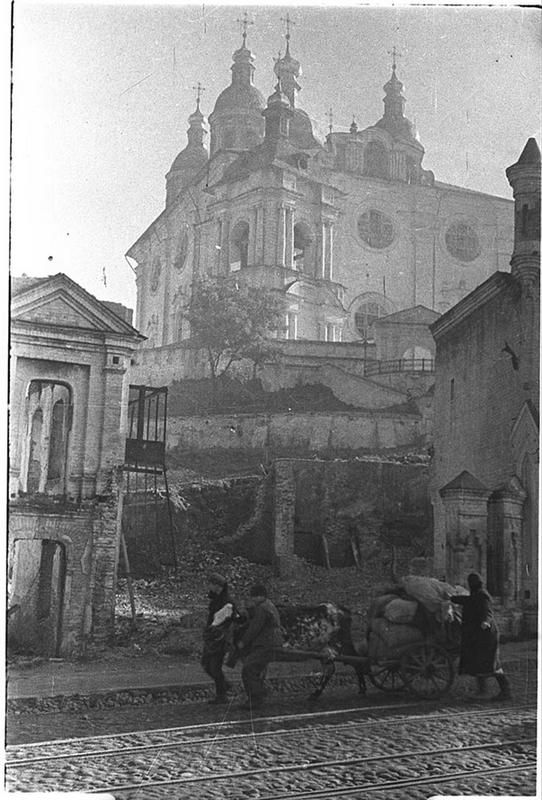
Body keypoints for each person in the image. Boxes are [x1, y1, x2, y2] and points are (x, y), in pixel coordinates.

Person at [450, 572, 512, 701]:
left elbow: (488, 612)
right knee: (479, 662)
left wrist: (485, 621)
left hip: (487, 635)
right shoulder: (475, 595)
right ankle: (482, 691)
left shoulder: (482, 595)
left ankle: (506, 691)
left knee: (492, 664)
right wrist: (451, 598)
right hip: (479, 635)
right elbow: (466, 600)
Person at [236, 584, 283, 710]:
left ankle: (256, 698)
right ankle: (259, 693)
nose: (253, 600)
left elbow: (254, 628)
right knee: (255, 668)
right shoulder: (268, 605)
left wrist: (243, 642)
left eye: (254, 597)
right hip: (272, 641)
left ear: (260, 596)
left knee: (248, 668)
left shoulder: (262, 609)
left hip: (266, 643)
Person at [201, 572, 236, 705]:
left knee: (214, 666)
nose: (209, 586)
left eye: (211, 584)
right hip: (213, 637)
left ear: (217, 586)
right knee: (207, 664)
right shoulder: (217, 599)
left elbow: (229, 620)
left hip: (220, 638)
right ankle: (224, 686)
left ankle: (222, 694)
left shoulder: (227, 602)